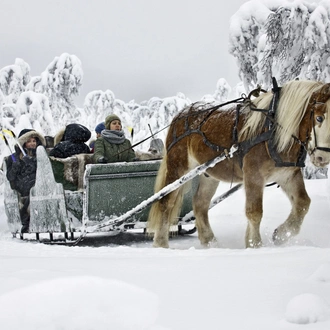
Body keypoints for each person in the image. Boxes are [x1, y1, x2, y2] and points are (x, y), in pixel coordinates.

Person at [5, 129, 46, 233]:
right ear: (23, 143)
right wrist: (15, 167)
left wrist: (33, 163)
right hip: (22, 188)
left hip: (39, 185)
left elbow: (46, 170)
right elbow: (10, 177)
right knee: (31, 191)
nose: (32, 144)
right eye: (29, 141)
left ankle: (25, 220)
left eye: (34, 141)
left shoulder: (41, 155)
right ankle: (25, 221)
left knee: (34, 189)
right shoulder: (13, 158)